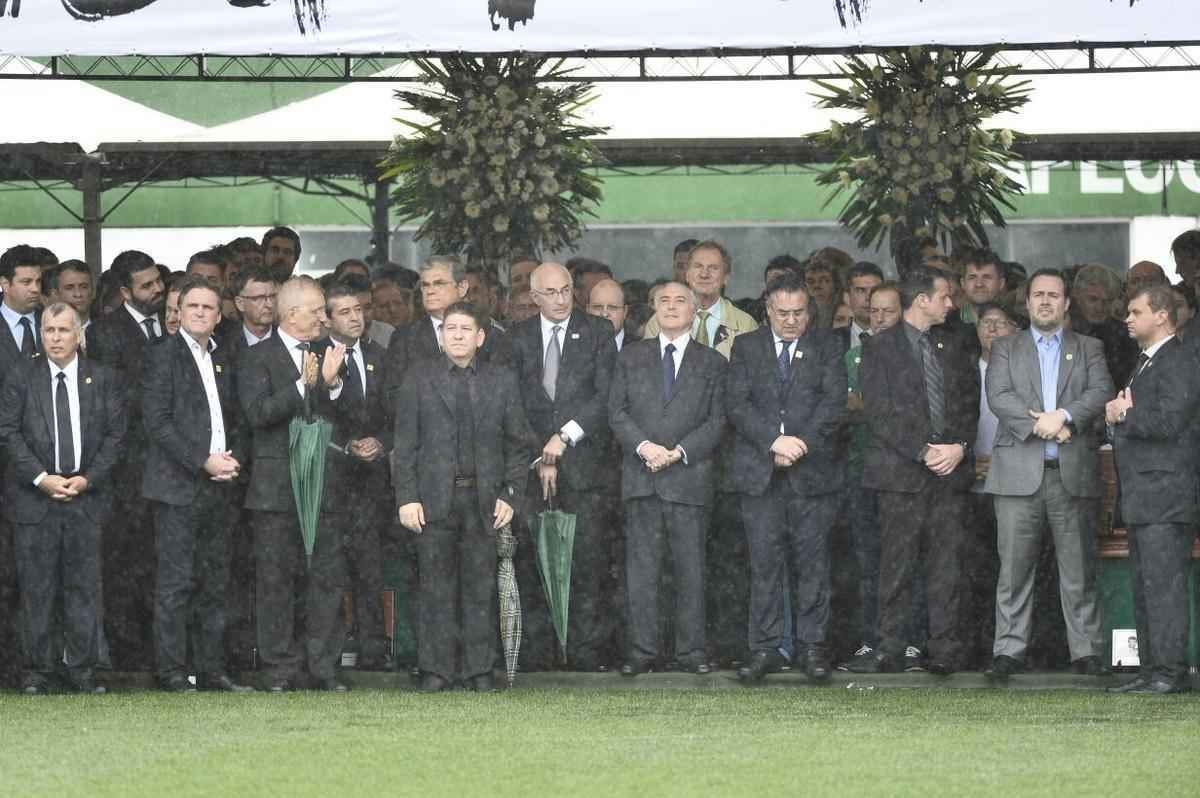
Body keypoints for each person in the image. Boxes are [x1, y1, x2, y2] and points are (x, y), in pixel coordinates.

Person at [982, 270, 1114, 681]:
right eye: (1038, 295)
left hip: (1070, 472)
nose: (1045, 302)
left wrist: (1065, 416)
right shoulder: (1005, 347)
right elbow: (998, 395)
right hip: (1017, 474)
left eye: (1053, 296)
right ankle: (1008, 652)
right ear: (1027, 302)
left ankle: (1087, 652)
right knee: (1013, 571)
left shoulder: (1089, 346)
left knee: (1078, 571)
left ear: (1066, 303)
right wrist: (1039, 424)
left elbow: (1101, 391)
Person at [394, 302, 532, 692]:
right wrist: (406, 497)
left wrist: (511, 494)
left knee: (479, 586)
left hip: (485, 499)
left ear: (480, 337)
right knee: (435, 587)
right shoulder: (418, 378)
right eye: (449, 328)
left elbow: (518, 444)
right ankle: (436, 670)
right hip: (433, 498)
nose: (456, 334)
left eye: (465, 328)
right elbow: (404, 445)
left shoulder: (501, 379)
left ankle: (478, 670)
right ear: (440, 337)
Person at [0, 303, 126, 695]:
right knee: (37, 590)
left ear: (79, 334)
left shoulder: (103, 378)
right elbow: (8, 432)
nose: (55, 337)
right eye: (48, 330)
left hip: (86, 499)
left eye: (63, 330)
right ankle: (38, 672)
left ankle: (82, 671)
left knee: (84, 588)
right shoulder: (21, 376)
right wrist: (41, 479)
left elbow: (116, 437)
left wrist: (87, 479)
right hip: (33, 500)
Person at [727, 271, 846, 683]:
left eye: (798, 313)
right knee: (764, 565)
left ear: (809, 312)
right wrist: (774, 443)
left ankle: (813, 649)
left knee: (813, 565)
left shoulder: (829, 346)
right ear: (767, 310)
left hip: (812, 475)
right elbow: (737, 405)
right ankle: (766, 648)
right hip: (761, 474)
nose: (791, 320)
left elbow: (833, 405)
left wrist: (799, 445)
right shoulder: (745, 347)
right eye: (782, 313)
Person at [859, 267, 979, 675]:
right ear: (922, 300)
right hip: (900, 474)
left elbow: (969, 402)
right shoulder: (878, 348)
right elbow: (878, 412)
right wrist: (923, 450)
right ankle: (890, 646)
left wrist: (960, 447)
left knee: (947, 566)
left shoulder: (955, 343)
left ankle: (942, 649)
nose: (951, 303)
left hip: (950, 472)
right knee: (897, 565)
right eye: (944, 296)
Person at [238, 275, 352, 692]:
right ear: (291, 314)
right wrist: (304, 383)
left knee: (326, 580)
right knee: (276, 581)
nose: (325, 317)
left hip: (326, 485)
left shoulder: (332, 351)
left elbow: (357, 414)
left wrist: (334, 382)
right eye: (318, 309)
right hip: (276, 490)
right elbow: (257, 414)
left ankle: (322, 667)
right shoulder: (256, 357)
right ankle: (280, 670)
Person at [609, 282, 727, 676]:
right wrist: (645, 448)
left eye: (681, 301)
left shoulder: (712, 363)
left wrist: (678, 453)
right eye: (664, 301)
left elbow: (717, 420)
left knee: (691, 570)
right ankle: (643, 651)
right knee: (642, 572)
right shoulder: (630, 357)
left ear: (695, 311)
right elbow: (617, 413)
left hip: (689, 479)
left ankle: (691, 651)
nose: (672, 307)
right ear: (652, 309)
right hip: (642, 478)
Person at [140, 277, 252, 693]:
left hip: (221, 485)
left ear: (219, 315)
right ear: (179, 313)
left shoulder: (224, 358)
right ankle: (171, 671)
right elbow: (158, 424)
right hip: (177, 486)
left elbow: (238, 417)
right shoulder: (161, 356)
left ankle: (211, 669)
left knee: (215, 582)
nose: (201, 313)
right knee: (175, 583)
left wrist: (232, 459)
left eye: (209, 308)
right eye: (193, 307)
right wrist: (202, 461)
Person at [510, 263, 618, 671]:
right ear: (534, 297)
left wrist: (565, 437)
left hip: (585, 466)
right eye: (550, 293)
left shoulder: (597, 332)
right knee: (534, 560)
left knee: (586, 561)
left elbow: (605, 396)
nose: (559, 299)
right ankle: (540, 653)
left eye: (565, 290)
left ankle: (585, 653)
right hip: (533, 465)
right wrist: (541, 454)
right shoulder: (517, 338)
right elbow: (512, 402)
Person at [1107, 286, 1200, 694]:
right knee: (1147, 588)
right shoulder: (1146, 362)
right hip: (1147, 494)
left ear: (1161, 315)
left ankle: (1169, 672)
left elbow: (1170, 422)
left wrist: (1125, 415)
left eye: (1135, 311)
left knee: (1164, 588)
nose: (1127, 318)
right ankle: (1152, 670)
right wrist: (1119, 417)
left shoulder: (1178, 360)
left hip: (1167, 493)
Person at [86, 249, 166, 671]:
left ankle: (163, 652)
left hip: (169, 468)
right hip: (128, 471)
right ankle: (128, 657)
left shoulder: (171, 325)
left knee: (163, 564)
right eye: (147, 285)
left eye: (158, 282)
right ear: (123, 292)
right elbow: (112, 402)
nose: (158, 290)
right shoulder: (105, 333)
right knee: (127, 563)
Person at [313, 279, 394, 670]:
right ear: (326, 320)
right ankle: (328, 658)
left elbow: (397, 413)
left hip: (373, 482)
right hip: (332, 482)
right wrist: (346, 446)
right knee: (330, 573)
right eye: (344, 312)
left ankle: (373, 652)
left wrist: (382, 441)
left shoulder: (382, 354)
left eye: (359, 310)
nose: (355, 317)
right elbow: (311, 416)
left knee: (371, 569)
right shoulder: (314, 356)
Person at [838, 282, 903, 672]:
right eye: (874, 311)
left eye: (888, 312)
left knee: (903, 559)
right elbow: (847, 405)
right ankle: (870, 639)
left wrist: (868, 404)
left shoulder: (914, 355)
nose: (878, 318)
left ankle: (905, 639)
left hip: (903, 472)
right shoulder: (853, 355)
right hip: (862, 469)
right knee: (868, 560)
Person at [384, 256, 510, 407]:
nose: (430, 291)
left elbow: (504, 393)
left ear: (462, 288)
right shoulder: (404, 338)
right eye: (425, 285)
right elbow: (392, 397)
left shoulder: (491, 333)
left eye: (439, 283)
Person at [642, 240, 757, 359]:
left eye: (713, 268)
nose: (704, 274)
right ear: (687, 274)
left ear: (726, 278)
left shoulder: (745, 325)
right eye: (698, 266)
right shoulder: (659, 321)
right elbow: (650, 370)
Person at [43, 260, 94, 347]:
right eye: (69, 288)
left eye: (84, 287)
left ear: (93, 292)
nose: (78, 294)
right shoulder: (42, 334)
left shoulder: (109, 331)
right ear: (56, 294)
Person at [587, 278, 630, 350]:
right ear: (588, 310)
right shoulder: (575, 347)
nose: (604, 314)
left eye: (612, 307)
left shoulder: (641, 348)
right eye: (598, 307)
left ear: (625, 311)